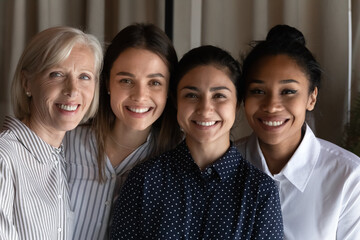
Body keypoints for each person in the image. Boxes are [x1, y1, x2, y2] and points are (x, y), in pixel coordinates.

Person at [110, 45, 284, 239]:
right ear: (176, 101)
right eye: (191, 95)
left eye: (219, 96)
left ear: (237, 103)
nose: (205, 108)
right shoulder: (145, 180)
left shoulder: (260, 192)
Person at [236, 24, 360, 239]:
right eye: (258, 91)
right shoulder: (222, 165)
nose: (272, 105)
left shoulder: (349, 178)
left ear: (311, 97)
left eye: (288, 91)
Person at [63, 23, 182, 240]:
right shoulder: (65, 143)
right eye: (126, 80)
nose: (140, 95)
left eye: (155, 82)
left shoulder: (177, 163)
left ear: (169, 91)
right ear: (107, 82)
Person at [0, 26, 103, 240]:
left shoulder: (60, 157)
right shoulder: (4, 158)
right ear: (27, 82)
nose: (72, 90)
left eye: (84, 76)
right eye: (57, 74)